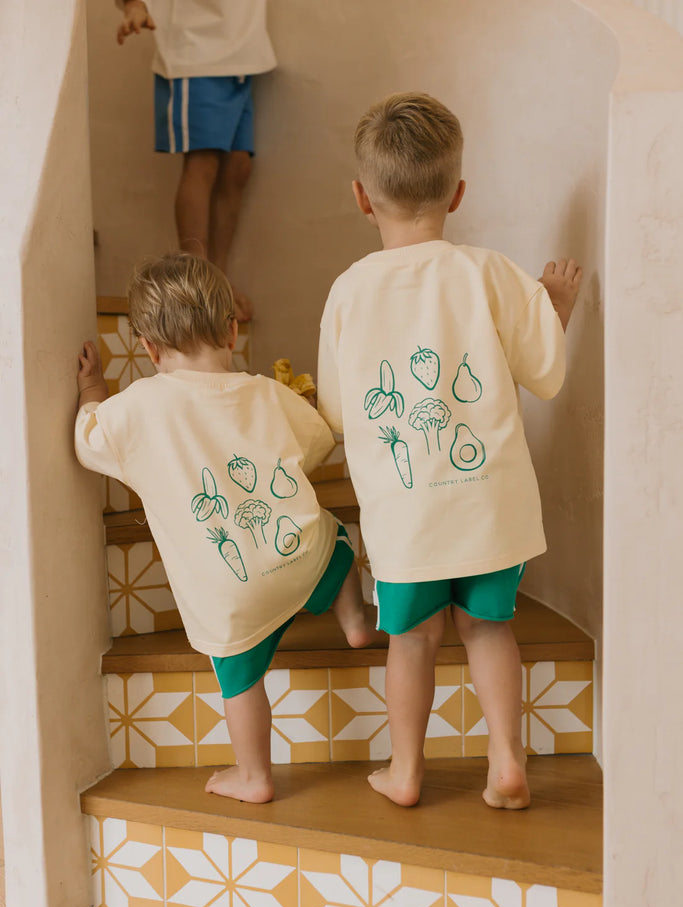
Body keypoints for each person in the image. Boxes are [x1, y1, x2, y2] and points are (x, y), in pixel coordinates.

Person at [317, 92, 582, 809]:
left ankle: (405, 772)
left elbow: (338, 411)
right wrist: (555, 309)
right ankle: (506, 762)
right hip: (489, 505)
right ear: (457, 193)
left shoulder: (348, 291)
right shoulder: (489, 272)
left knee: (412, 640)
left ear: (361, 197)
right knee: (489, 627)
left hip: (406, 518)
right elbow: (544, 372)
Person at [76, 253, 372, 803]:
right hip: (298, 555)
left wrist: (93, 388)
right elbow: (316, 442)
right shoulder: (265, 391)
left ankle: (254, 775)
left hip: (229, 594)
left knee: (239, 679)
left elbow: (90, 440)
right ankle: (354, 618)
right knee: (331, 531)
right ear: (233, 331)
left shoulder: (136, 408)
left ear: (148, 349)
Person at [115, 0, 277, 322]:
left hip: (243, 53)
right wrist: (134, 5)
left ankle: (218, 280)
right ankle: (196, 285)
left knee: (238, 167)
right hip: (196, 52)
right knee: (204, 163)